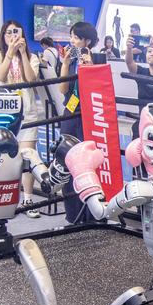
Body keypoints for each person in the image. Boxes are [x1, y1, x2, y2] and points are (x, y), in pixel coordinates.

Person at [0, 20, 43, 218]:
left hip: (27, 114)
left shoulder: (32, 57)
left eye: (16, 32)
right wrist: (10, 53)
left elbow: (31, 79)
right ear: (2, 36)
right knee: (3, 159)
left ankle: (28, 199)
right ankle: (5, 199)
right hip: (2, 114)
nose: (12, 36)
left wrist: (22, 54)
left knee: (28, 156)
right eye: (8, 33)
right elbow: (0, 77)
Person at [56, 21, 99, 222]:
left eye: (76, 37)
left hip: (90, 116)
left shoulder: (97, 59)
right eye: (71, 36)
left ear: (87, 41)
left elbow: (97, 89)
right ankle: (72, 215)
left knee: (88, 163)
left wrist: (89, 67)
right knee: (68, 161)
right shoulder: (70, 60)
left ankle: (92, 214)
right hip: (70, 113)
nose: (71, 41)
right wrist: (65, 64)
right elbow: (63, 90)